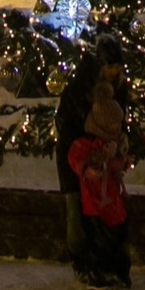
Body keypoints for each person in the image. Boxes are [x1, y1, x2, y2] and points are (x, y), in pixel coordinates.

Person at [55, 42, 125, 273]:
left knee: (100, 217)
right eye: (111, 66)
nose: (114, 71)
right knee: (76, 214)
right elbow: (67, 128)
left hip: (99, 165)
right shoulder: (81, 89)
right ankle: (83, 265)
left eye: (117, 66)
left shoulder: (114, 89)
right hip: (77, 158)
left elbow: (118, 122)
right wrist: (85, 152)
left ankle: (99, 267)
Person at [66, 71, 132, 289]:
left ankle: (117, 271)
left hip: (111, 199)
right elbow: (76, 159)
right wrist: (87, 170)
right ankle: (98, 273)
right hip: (94, 202)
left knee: (116, 236)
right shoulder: (87, 144)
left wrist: (119, 163)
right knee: (98, 239)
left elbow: (116, 163)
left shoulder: (113, 145)